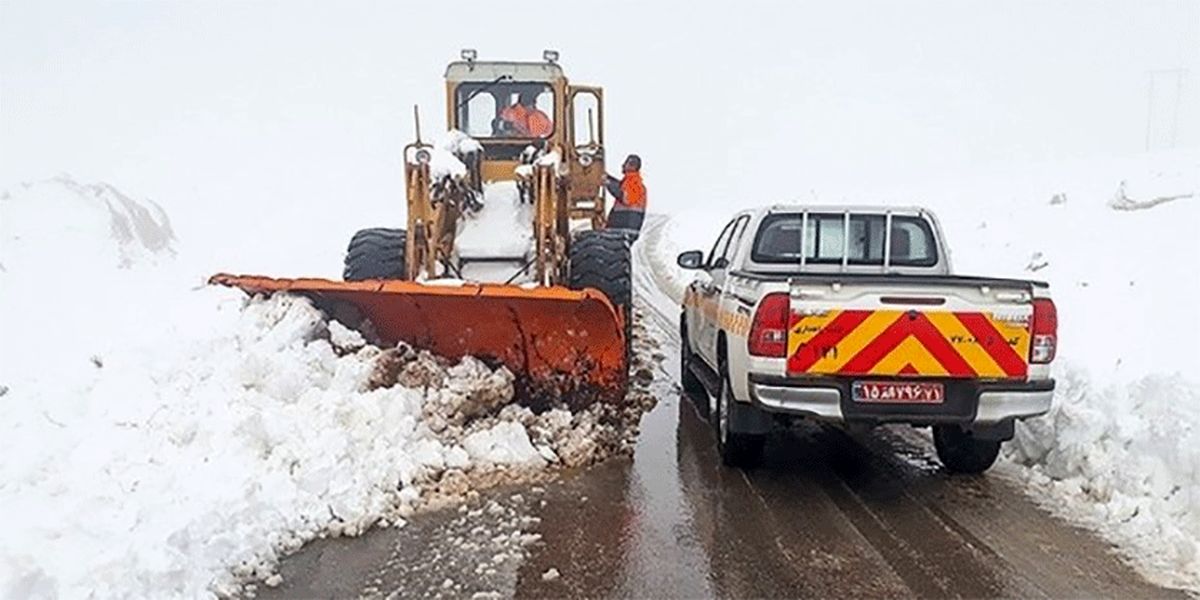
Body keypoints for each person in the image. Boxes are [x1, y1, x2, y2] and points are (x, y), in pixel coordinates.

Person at [604, 154, 646, 238]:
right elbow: (619, 186)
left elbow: (625, 198)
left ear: (632, 166)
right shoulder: (628, 182)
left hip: (625, 227)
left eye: (625, 163)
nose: (623, 165)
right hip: (622, 227)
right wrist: (608, 178)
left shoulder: (634, 183)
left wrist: (608, 183)